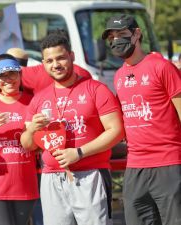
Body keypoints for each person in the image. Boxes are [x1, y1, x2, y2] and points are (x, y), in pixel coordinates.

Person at [20, 31, 124, 225]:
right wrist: (32, 129)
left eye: (61, 58)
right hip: (51, 177)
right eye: (49, 60)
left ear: (72, 56)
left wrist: (79, 152)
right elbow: (27, 145)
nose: (56, 65)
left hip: (90, 174)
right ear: (43, 64)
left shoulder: (96, 89)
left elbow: (116, 131)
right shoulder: (39, 99)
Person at [102, 14, 181, 225]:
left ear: (137, 34)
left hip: (168, 164)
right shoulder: (119, 75)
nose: (116, 40)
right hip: (135, 167)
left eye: (122, 34)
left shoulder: (162, 67)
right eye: (112, 36)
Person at [0, 54, 39, 225]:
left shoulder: (33, 102)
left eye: (12, 73)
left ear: (20, 75)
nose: (8, 79)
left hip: (25, 184)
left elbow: (39, 145)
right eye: (2, 75)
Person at [0, 31, 92, 95]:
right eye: (50, 60)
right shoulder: (84, 73)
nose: (56, 65)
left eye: (12, 71)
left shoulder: (34, 73)